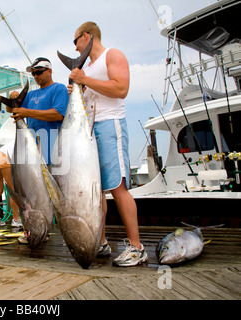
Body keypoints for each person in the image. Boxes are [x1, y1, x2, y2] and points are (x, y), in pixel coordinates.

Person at [68, 21, 147, 267]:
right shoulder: (88, 67)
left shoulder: (112, 54)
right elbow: (90, 96)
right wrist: (77, 87)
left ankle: (137, 247)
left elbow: (121, 88)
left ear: (86, 36)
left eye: (75, 42)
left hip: (110, 126)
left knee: (118, 187)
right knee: (97, 189)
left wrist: (85, 79)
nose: (74, 49)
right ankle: (101, 242)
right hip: (88, 131)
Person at [11, 57, 69, 165]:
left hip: (53, 149)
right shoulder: (31, 94)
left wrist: (27, 112)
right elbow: (12, 110)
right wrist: (12, 100)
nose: (36, 76)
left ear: (49, 71)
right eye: (33, 74)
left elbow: (58, 115)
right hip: (33, 150)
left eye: (39, 72)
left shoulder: (59, 89)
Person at [0, 140, 22, 228]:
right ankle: (15, 219)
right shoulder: (22, 144)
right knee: (13, 190)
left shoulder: (13, 142)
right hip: (3, 158)